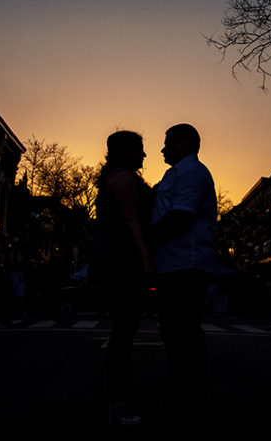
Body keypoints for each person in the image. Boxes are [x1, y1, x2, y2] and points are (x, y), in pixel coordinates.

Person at [149, 123, 217, 425]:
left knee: (183, 331)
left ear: (183, 143)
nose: (163, 149)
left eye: (168, 143)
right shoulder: (175, 174)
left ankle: (190, 397)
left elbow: (179, 216)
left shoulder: (192, 173)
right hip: (171, 263)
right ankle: (185, 392)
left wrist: (144, 238)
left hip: (185, 265)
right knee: (173, 331)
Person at [88, 130, 156, 426]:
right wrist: (146, 262)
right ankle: (119, 404)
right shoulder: (125, 179)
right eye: (140, 150)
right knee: (123, 335)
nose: (144, 155)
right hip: (123, 261)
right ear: (127, 151)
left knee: (122, 333)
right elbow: (131, 220)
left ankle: (117, 402)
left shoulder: (111, 178)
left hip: (111, 259)